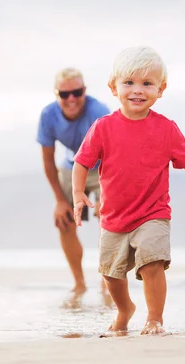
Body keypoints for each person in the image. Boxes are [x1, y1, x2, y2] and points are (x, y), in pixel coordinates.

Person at [72, 46, 185, 335]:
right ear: (114, 87)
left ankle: (154, 319)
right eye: (129, 83)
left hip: (153, 212)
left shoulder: (166, 129)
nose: (138, 90)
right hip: (114, 216)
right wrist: (77, 193)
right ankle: (125, 309)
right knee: (111, 274)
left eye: (147, 84)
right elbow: (82, 162)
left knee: (152, 263)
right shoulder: (103, 128)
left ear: (161, 90)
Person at [36, 67, 111, 306]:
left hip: (102, 167)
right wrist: (59, 200)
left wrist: (105, 195)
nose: (71, 99)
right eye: (64, 94)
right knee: (64, 220)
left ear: (84, 91)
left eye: (76, 93)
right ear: (56, 94)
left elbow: (113, 154)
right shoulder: (48, 115)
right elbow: (48, 160)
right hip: (70, 167)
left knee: (108, 217)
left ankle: (107, 282)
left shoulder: (99, 112)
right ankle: (79, 283)